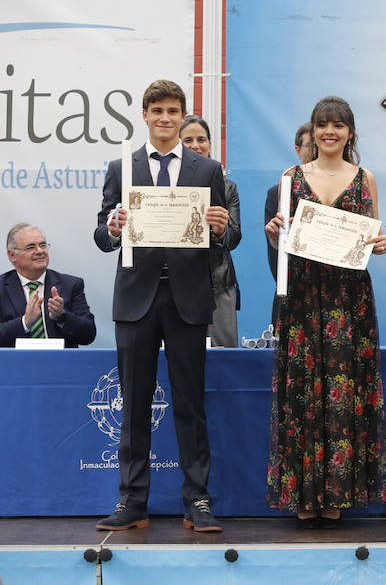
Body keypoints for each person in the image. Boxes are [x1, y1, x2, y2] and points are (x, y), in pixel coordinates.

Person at [93, 79, 232, 532]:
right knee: (133, 404)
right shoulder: (121, 167)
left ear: (182, 114)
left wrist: (219, 227)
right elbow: (101, 236)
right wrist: (114, 227)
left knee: (190, 404)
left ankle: (198, 501)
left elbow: (225, 241)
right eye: (158, 111)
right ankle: (132, 502)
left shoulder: (207, 169)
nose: (166, 118)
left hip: (188, 299)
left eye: (174, 111)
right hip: (136, 299)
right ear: (145, 115)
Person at [264, 97, 386, 528]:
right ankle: (303, 493)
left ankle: (338, 491)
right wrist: (273, 232)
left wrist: (384, 242)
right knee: (301, 391)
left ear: (351, 132)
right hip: (302, 298)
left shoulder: (366, 178)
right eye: (323, 125)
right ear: (313, 131)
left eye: (338, 125)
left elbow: (373, 237)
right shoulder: (290, 178)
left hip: (348, 301)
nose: (330, 132)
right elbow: (281, 237)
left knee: (345, 391)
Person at [180, 115, 242, 347]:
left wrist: (221, 231)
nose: (196, 145)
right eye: (188, 140)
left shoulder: (227, 188)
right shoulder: (167, 186)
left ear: (210, 144)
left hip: (218, 283)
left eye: (201, 139)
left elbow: (234, 237)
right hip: (176, 285)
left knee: (223, 358)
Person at [0, 223, 96, 347]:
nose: (39, 251)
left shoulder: (71, 285)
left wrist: (62, 317)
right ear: (12, 255)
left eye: (43, 245)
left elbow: (89, 334)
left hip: (60, 363)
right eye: (30, 247)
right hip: (15, 364)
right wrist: (24, 323)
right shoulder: (2, 288)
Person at [265, 123, 314, 327]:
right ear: (297, 150)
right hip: (292, 292)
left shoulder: (343, 188)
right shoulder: (281, 191)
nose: (316, 151)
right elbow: (275, 255)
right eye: (311, 145)